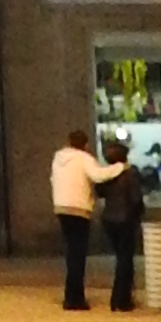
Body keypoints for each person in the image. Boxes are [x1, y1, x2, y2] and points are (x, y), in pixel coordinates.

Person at [49, 125, 108, 310]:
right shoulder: (84, 159)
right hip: (79, 208)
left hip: (61, 207)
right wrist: (119, 167)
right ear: (85, 144)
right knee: (78, 254)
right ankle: (75, 298)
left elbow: (53, 180)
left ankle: (70, 294)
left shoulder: (58, 159)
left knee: (71, 252)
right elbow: (98, 176)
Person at [96, 141, 146, 313]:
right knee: (126, 260)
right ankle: (122, 299)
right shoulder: (130, 174)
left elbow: (99, 191)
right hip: (126, 219)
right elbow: (136, 198)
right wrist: (139, 213)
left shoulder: (107, 175)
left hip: (109, 218)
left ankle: (117, 299)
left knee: (120, 258)